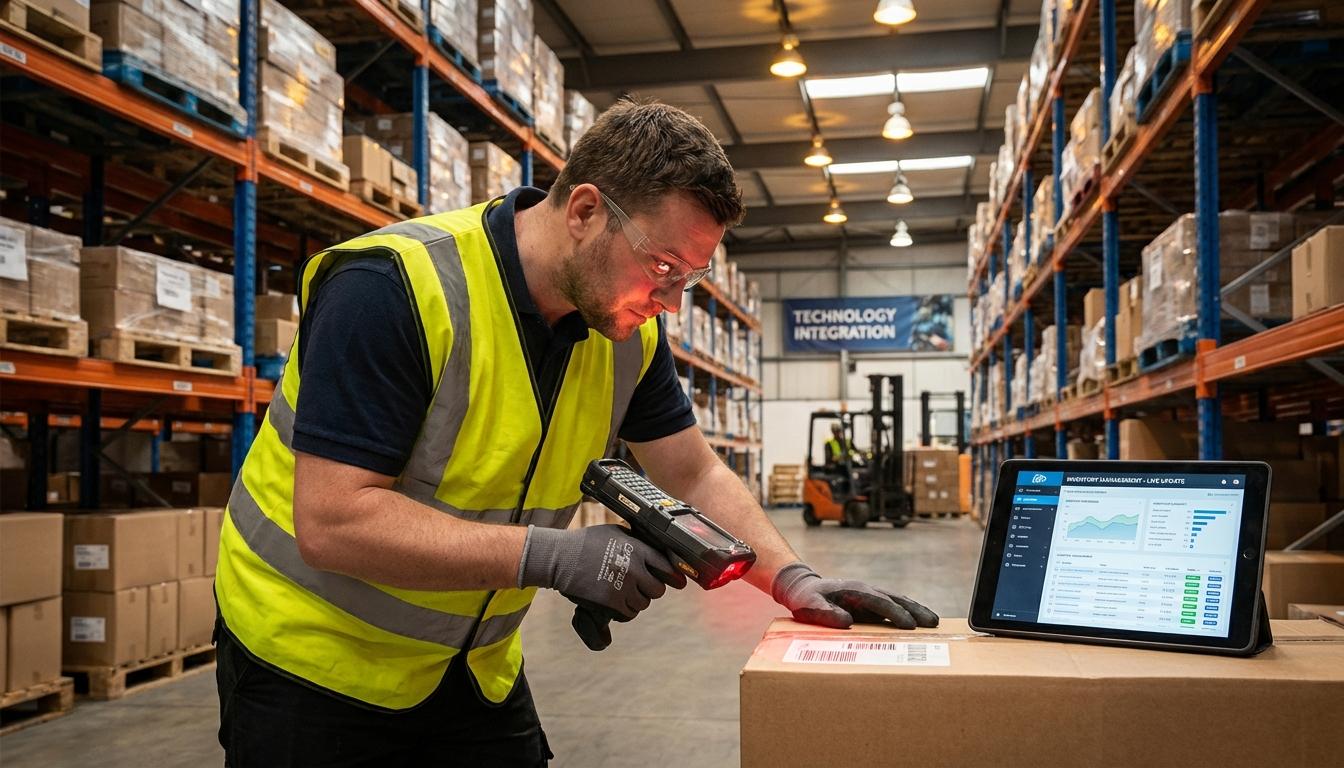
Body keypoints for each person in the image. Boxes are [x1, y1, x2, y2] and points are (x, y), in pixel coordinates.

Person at [213, 100, 939, 767]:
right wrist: (555, 556)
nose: (672, 302)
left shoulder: (627, 336)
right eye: (663, 267)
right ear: (586, 209)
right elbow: (333, 520)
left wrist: (792, 577)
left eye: (688, 279)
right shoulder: (392, 288)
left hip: (470, 668)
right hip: (309, 665)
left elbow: (690, 473)